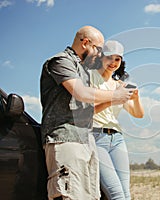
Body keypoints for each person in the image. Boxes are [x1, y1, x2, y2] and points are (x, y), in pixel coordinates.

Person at [40, 26, 134, 200]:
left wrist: (116, 97)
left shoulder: (83, 71)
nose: (99, 55)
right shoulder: (60, 61)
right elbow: (81, 93)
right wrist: (114, 95)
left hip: (86, 140)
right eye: (98, 49)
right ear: (85, 43)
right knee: (70, 195)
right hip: (65, 139)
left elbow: (88, 108)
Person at [90, 40, 144, 200]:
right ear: (101, 58)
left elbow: (138, 114)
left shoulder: (119, 85)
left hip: (118, 139)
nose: (113, 63)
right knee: (116, 194)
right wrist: (113, 99)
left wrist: (136, 98)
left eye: (117, 59)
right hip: (96, 137)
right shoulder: (90, 79)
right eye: (109, 57)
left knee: (126, 194)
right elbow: (87, 111)